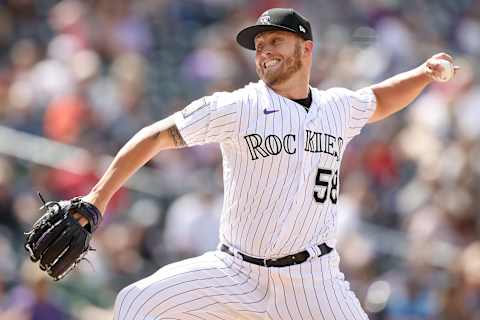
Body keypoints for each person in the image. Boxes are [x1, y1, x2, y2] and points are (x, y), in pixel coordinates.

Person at [78, 8, 456, 320]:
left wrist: (423, 74)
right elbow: (156, 136)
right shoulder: (238, 106)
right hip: (236, 272)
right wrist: (97, 199)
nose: (264, 51)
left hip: (313, 281)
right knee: (136, 303)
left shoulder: (337, 107)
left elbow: (380, 99)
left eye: (275, 40)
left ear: (307, 49)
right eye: (259, 45)